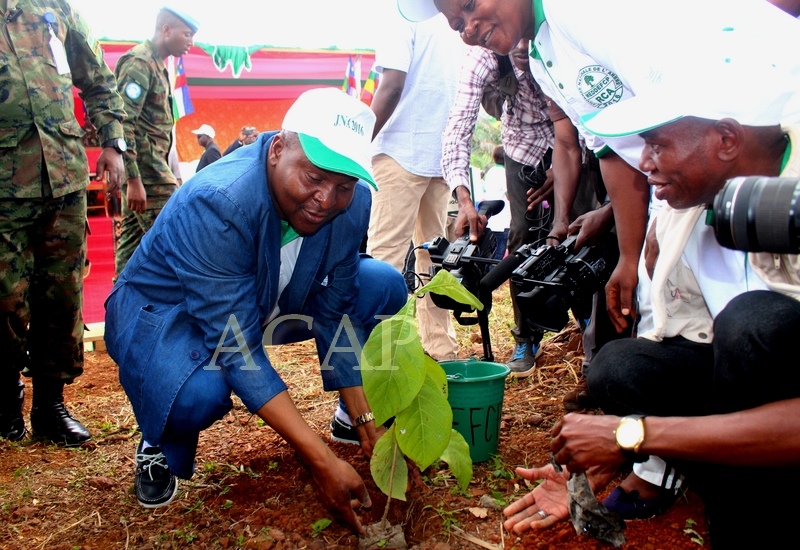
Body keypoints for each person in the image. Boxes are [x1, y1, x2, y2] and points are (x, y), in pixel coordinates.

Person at [501, 50, 800, 548]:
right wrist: (610, 458)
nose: (645, 164)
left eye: (658, 145)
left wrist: (631, 436)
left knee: (752, 325)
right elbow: (680, 339)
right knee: (622, 367)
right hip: (747, 395)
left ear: (726, 139)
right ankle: (727, 496)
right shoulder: (679, 215)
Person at [397, 0, 800, 352]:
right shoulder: (540, 52)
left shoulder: (578, 10)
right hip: (675, 186)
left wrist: (661, 220)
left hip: (732, 175)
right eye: (456, 24)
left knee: (752, 319)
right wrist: (628, 252)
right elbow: (608, 146)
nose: (467, 28)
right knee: (688, 324)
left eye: (469, 4)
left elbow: (676, 113)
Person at [104, 88, 407, 533]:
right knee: (197, 394)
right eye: (313, 178)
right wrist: (319, 459)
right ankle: (158, 433)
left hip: (263, 297)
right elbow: (235, 344)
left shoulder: (354, 201)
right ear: (277, 150)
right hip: (169, 311)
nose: (326, 199)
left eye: (342, 186)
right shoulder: (220, 201)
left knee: (381, 284)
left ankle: (348, 420)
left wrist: (364, 417)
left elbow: (336, 312)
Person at [0, 0, 125, 445]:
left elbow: (97, 77)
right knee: (3, 300)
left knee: (61, 296)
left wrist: (114, 142)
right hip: (2, 182)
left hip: (64, 174)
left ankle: (50, 406)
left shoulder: (55, 7)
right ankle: (5, 399)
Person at [441, 41, 554, 376]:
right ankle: (525, 337)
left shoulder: (559, 37)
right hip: (522, 145)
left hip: (572, 143)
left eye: (526, 38)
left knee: (580, 235)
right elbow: (457, 132)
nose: (520, 46)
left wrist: (564, 165)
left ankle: (592, 336)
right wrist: (464, 201)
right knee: (522, 239)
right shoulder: (482, 57)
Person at [366, 8, 465, 363]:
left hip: (398, 151)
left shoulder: (398, 14)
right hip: (439, 152)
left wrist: (360, 141)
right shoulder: (449, 16)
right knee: (433, 258)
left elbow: (392, 85)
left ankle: (383, 358)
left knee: (384, 260)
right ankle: (442, 350)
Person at [113, 6, 198, 282]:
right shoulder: (139, 63)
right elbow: (124, 124)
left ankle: (119, 310)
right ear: (166, 30)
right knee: (175, 246)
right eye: (187, 34)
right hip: (149, 176)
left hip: (151, 171)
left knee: (130, 249)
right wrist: (133, 180)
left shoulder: (158, 65)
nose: (191, 42)